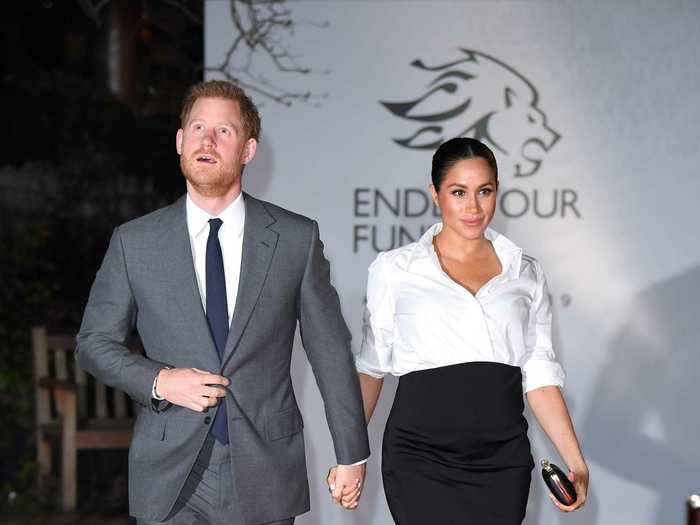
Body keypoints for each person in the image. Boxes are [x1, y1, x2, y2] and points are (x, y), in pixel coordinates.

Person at [76, 80, 369, 525]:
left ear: (248, 151)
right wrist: (160, 380)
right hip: (169, 472)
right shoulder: (134, 242)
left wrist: (351, 453)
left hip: (265, 470)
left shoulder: (295, 238)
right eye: (197, 128)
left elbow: (329, 351)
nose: (207, 140)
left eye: (224, 131)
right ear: (179, 141)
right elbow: (94, 343)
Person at [349, 137, 589, 524]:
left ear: (497, 192)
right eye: (458, 192)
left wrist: (575, 461)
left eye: (485, 191)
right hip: (419, 458)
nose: (473, 207)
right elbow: (372, 369)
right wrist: (350, 456)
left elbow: (541, 375)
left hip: (502, 460)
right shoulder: (394, 270)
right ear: (435, 193)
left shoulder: (525, 272)